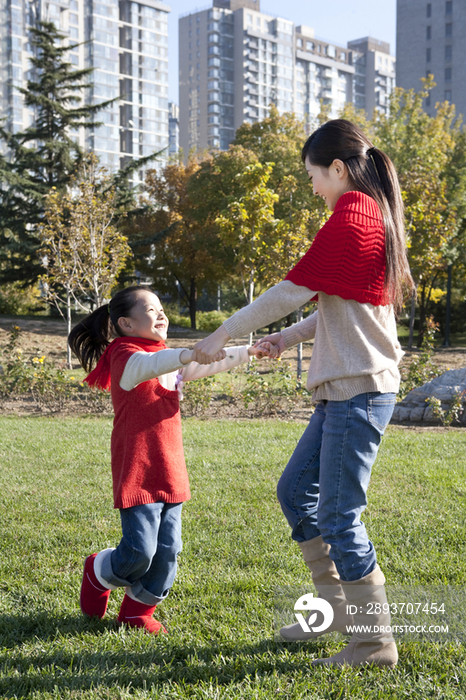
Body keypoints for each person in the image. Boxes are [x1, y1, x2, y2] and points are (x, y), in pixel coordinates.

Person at [192, 119, 413, 667]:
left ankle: (373, 641)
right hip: (348, 388)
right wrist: (284, 338)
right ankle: (338, 613)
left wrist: (224, 332)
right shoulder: (365, 216)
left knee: (340, 515)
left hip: (359, 390)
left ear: (337, 169)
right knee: (296, 491)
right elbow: (341, 309)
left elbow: (292, 288)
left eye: (314, 175)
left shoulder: (353, 217)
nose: (313, 187)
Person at [68, 285, 273, 634]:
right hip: (138, 465)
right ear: (126, 324)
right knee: (138, 551)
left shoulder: (166, 356)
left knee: (168, 550)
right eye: (151, 310)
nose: (161, 314)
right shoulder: (126, 356)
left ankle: (136, 612)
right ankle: (99, 570)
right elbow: (152, 364)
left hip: (170, 464)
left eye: (161, 308)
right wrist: (188, 353)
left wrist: (248, 351)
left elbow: (204, 365)